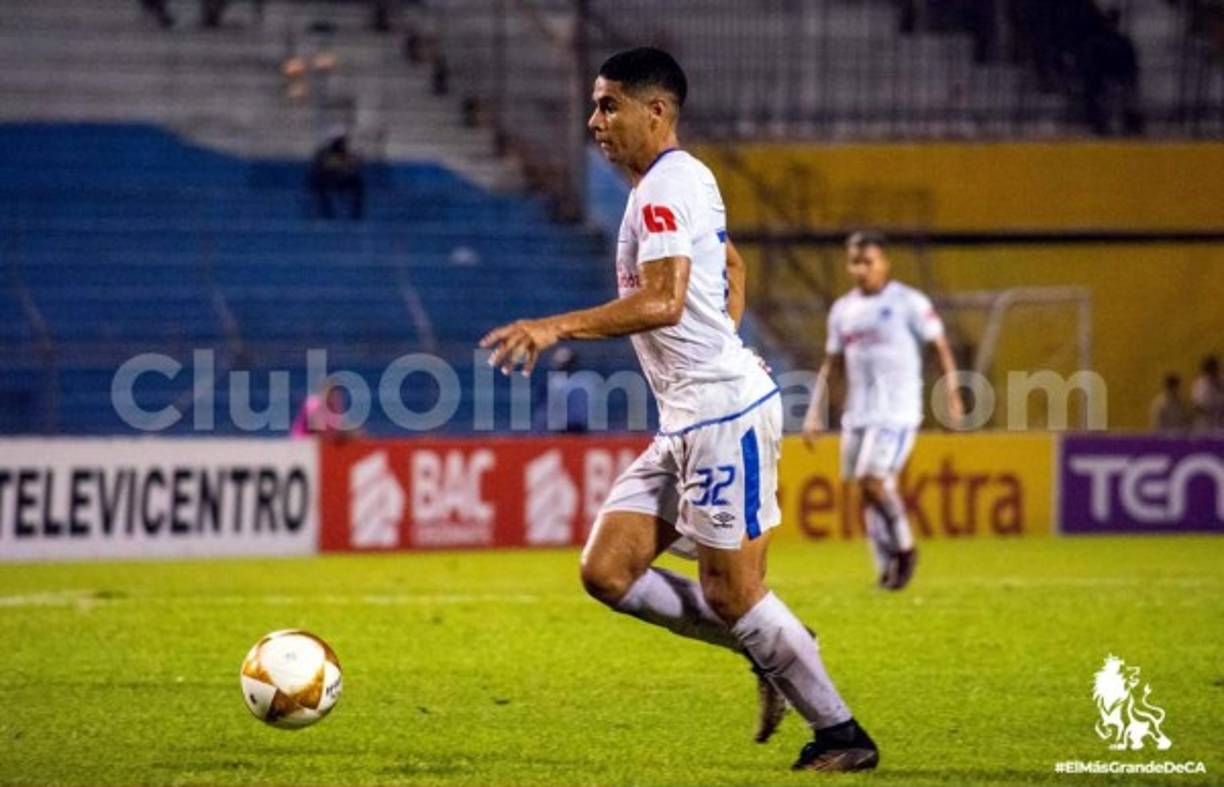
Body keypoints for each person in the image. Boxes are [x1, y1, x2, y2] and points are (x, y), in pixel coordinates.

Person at [480, 47, 878, 773]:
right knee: (608, 570)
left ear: (655, 111)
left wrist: (554, 326)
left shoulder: (665, 187)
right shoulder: (675, 183)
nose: (594, 120)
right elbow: (728, 269)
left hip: (722, 414)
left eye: (609, 105)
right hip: (688, 417)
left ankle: (842, 733)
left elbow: (663, 301)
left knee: (734, 592)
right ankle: (774, 647)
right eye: (595, 105)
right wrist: (722, 325)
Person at [802, 231, 963, 591]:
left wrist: (951, 392)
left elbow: (940, 346)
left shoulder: (908, 301)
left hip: (897, 410)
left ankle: (905, 549)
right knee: (867, 490)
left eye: (868, 262)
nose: (861, 270)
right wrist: (814, 411)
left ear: (884, 263)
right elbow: (832, 363)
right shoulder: (843, 309)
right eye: (854, 262)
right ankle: (887, 570)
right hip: (858, 414)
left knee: (871, 480)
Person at [308, 133, 365, 220]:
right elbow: (320, 169)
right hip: (329, 180)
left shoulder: (347, 155)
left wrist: (351, 167)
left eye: (342, 142)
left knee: (357, 184)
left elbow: (353, 168)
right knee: (319, 184)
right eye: (339, 142)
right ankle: (327, 211)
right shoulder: (325, 155)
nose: (341, 145)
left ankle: (356, 212)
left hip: (343, 181)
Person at [1191, 355, 1224, 432]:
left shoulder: (1222, 381)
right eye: (1211, 369)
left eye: (1215, 369)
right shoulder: (1200, 385)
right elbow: (1197, 406)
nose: (1214, 372)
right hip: (1205, 425)